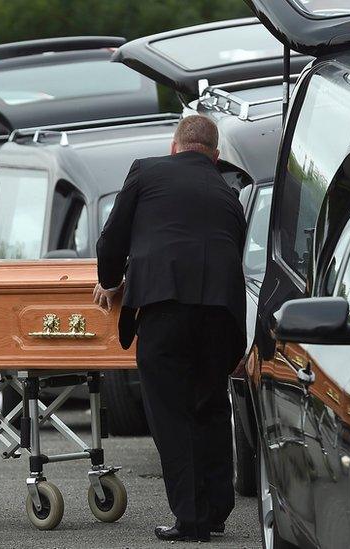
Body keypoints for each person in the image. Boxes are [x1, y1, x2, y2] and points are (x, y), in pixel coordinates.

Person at [94, 115, 247, 542]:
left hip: (165, 308)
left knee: (170, 413)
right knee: (211, 407)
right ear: (215, 157)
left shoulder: (146, 170)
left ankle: (191, 520)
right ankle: (216, 511)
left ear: (174, 146)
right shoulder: (229, 193)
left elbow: (112, 238)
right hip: (221, 314)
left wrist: (110, 282)